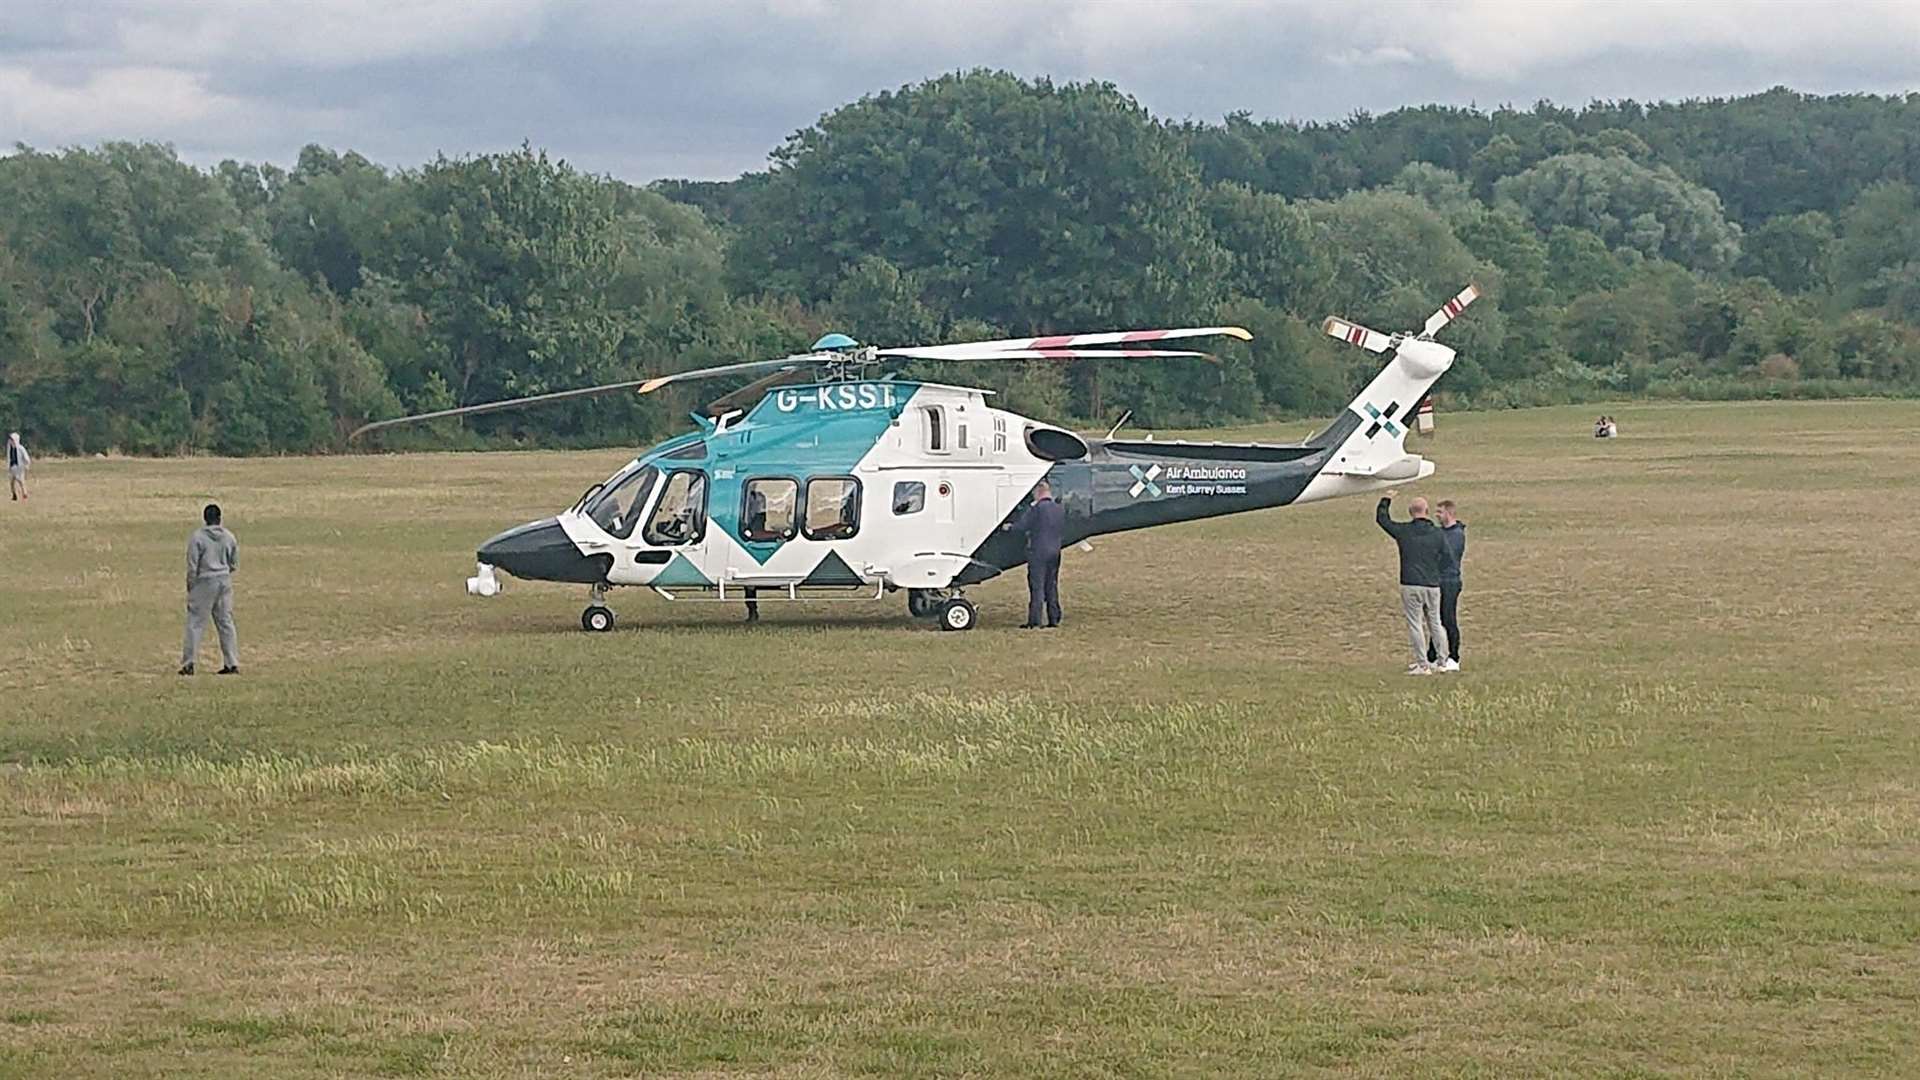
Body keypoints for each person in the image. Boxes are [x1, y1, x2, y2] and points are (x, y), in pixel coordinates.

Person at [1376, 492, 1453, 674]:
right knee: (1435, 622)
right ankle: (1442, 662)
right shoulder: (1437, 534)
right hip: (1432, 584)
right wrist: (1435, 569)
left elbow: (1383, 520)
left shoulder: (1404, 532)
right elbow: (1448, 558)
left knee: (1415, 624)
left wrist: (1385, 500)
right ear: (1426, 511)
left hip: (1410, 583)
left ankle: (1423, 664)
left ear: (1411, 512)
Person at [179, 503, 240, 675]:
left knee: (195, 623)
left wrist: (190, 585)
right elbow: (234, 564)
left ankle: (189, 663)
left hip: (204, 581)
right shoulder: (229, 536)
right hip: (224, 581)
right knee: (226, 623)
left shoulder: (197, 537)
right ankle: (232, 662)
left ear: (205, 519)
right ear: (220, 518)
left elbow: (192, 566)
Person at [1012, 479, 1066, 629]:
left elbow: (1023, 526)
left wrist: (1009, 527)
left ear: (1038, 492)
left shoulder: (1037, 509)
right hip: (1055, 551)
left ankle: (1035, 620)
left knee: (1037, 586)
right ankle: (1054, 618)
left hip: (1038, 551)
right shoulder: (1059, 509)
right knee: (1052, 585)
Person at [1426, 499, 1467, 671]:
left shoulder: (1457, 534)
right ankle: (1432, 656)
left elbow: (1448, 556)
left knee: (1448, 618)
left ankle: (1454, 657)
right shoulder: (1439, 532)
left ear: (1449, 513)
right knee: (1436, 619)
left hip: (1450, 581)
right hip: (1437, 580)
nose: (1437, 515)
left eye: (1440, 512)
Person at [6, 432, 27, 501]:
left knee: (21, 481)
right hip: (12, 468)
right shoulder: (9, 448)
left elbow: (26, 458)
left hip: (19, 468)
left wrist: (26, 465)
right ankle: (14, 495)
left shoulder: (21, 448)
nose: (10, 441)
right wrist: (8, 466)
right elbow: (9, 457)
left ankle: (25, 495)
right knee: (11, 483)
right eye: (10, 439)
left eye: (12, 439)